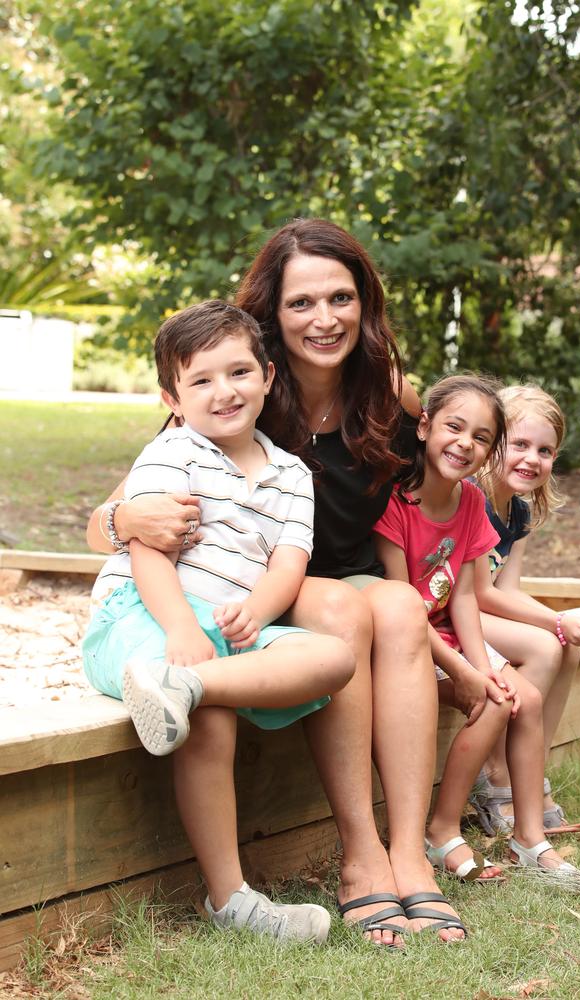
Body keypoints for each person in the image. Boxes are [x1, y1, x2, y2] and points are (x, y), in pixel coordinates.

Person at [86, 219, 467, 946]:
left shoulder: (388, 391)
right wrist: (128, 519)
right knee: (346, 610)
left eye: (341, 298)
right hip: (256, 589)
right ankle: (362, 857)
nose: (324, 319)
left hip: (323, 580)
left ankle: (409, 853)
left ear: (365, 303)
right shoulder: (227, 389)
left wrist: (472, 620)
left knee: (395, 605)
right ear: (272, 313)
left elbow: (449, 491)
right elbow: (112, 522)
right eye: (301, 303)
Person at [82, 299, 356, 944]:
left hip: (229, 624)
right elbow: (148, 548)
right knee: (208, 712)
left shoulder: (291, 473)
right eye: (201, 380)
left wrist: (258, 610)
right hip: (145, 614)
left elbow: (289, 562)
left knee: (334, 657)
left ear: (267, 375)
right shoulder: (172, 451)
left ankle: (188, 686)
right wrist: (180, 630)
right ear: (172, 398)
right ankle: (231, 898)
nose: (223, 392)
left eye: (237, 373)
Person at [374, 374, 580, 875]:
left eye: (481, 437)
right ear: (423, 427)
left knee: (519, 696)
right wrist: (467, 671)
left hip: (448, 631)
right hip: (407, 640)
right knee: (496, 697)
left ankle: (528, 837)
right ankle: (442, 830)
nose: (466, 444)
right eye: (454, 427)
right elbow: (405, 606)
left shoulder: (468, 502)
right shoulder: (395, 504)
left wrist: (482, 664)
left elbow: (465, 595)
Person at [471, 383, 580, 832]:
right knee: (546, 646)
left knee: (565, 644)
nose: (533, 458)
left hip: (483, 609)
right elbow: (480, 594)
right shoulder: (471, 499)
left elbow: (508, 589)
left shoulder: (519, 513)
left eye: (545, 450)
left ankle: (531, 769)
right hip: (454, 611)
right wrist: (555, 619)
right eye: (521, 444)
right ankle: (495, 772)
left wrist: (565, 623)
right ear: (493, 443)